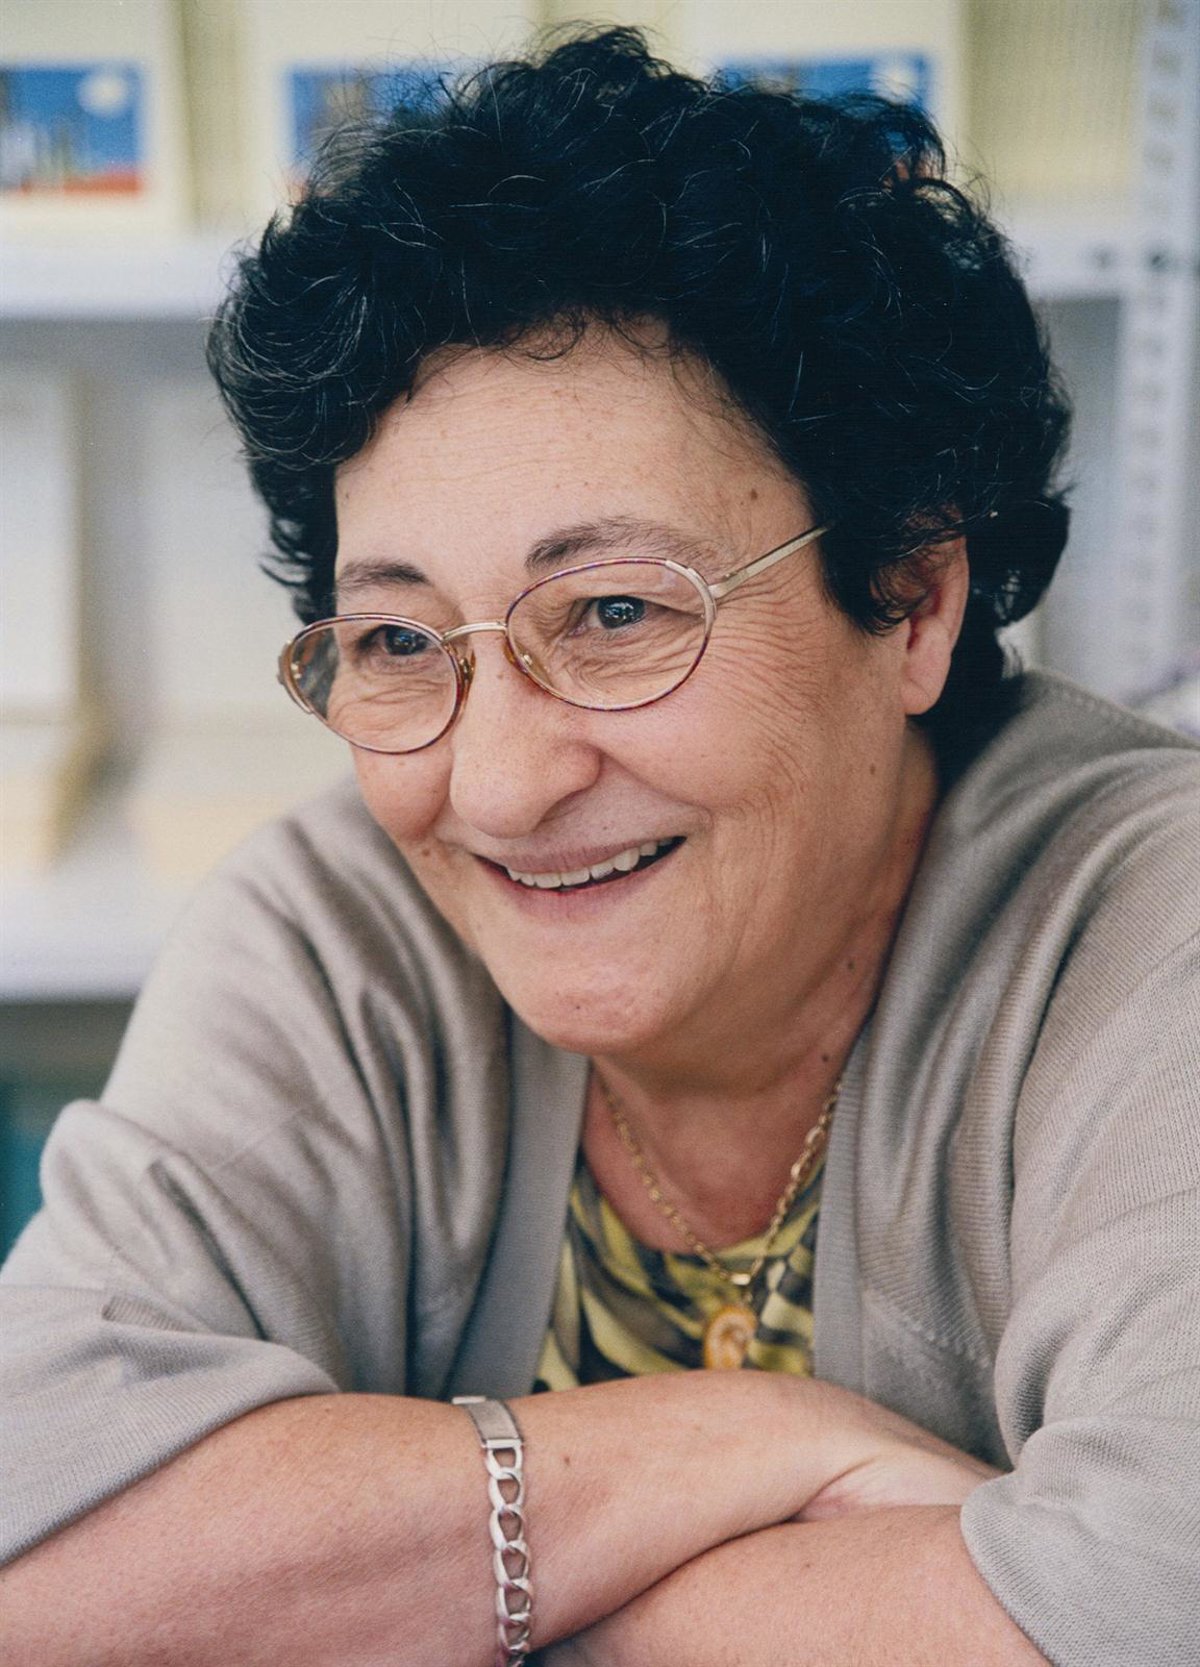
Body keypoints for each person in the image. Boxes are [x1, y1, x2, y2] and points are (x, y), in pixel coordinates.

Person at [2, 28, 1197, 1666]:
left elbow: (1148, 1615)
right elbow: (31, 1538)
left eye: (619, 613)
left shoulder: (1146, 939)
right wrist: (745, 1445)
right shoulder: (342, 929)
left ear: (913, 600)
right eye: (401, 640)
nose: (496, 787)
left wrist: (377, 1594)